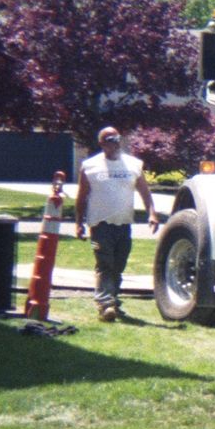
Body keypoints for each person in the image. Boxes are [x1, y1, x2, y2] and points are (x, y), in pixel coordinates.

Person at [73, 126, 158, 320]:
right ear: (101, 143)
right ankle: (106, 305)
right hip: (100, 223)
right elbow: (81, 196)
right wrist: (78, 223)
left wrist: (152, 214)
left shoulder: (133, 165)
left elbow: (144, 192)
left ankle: (113, 299)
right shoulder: (90, 166)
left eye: (116, 139)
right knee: (105, 263)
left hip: (124, 223)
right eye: (109, 140)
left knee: (118, 265)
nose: (114, 143)